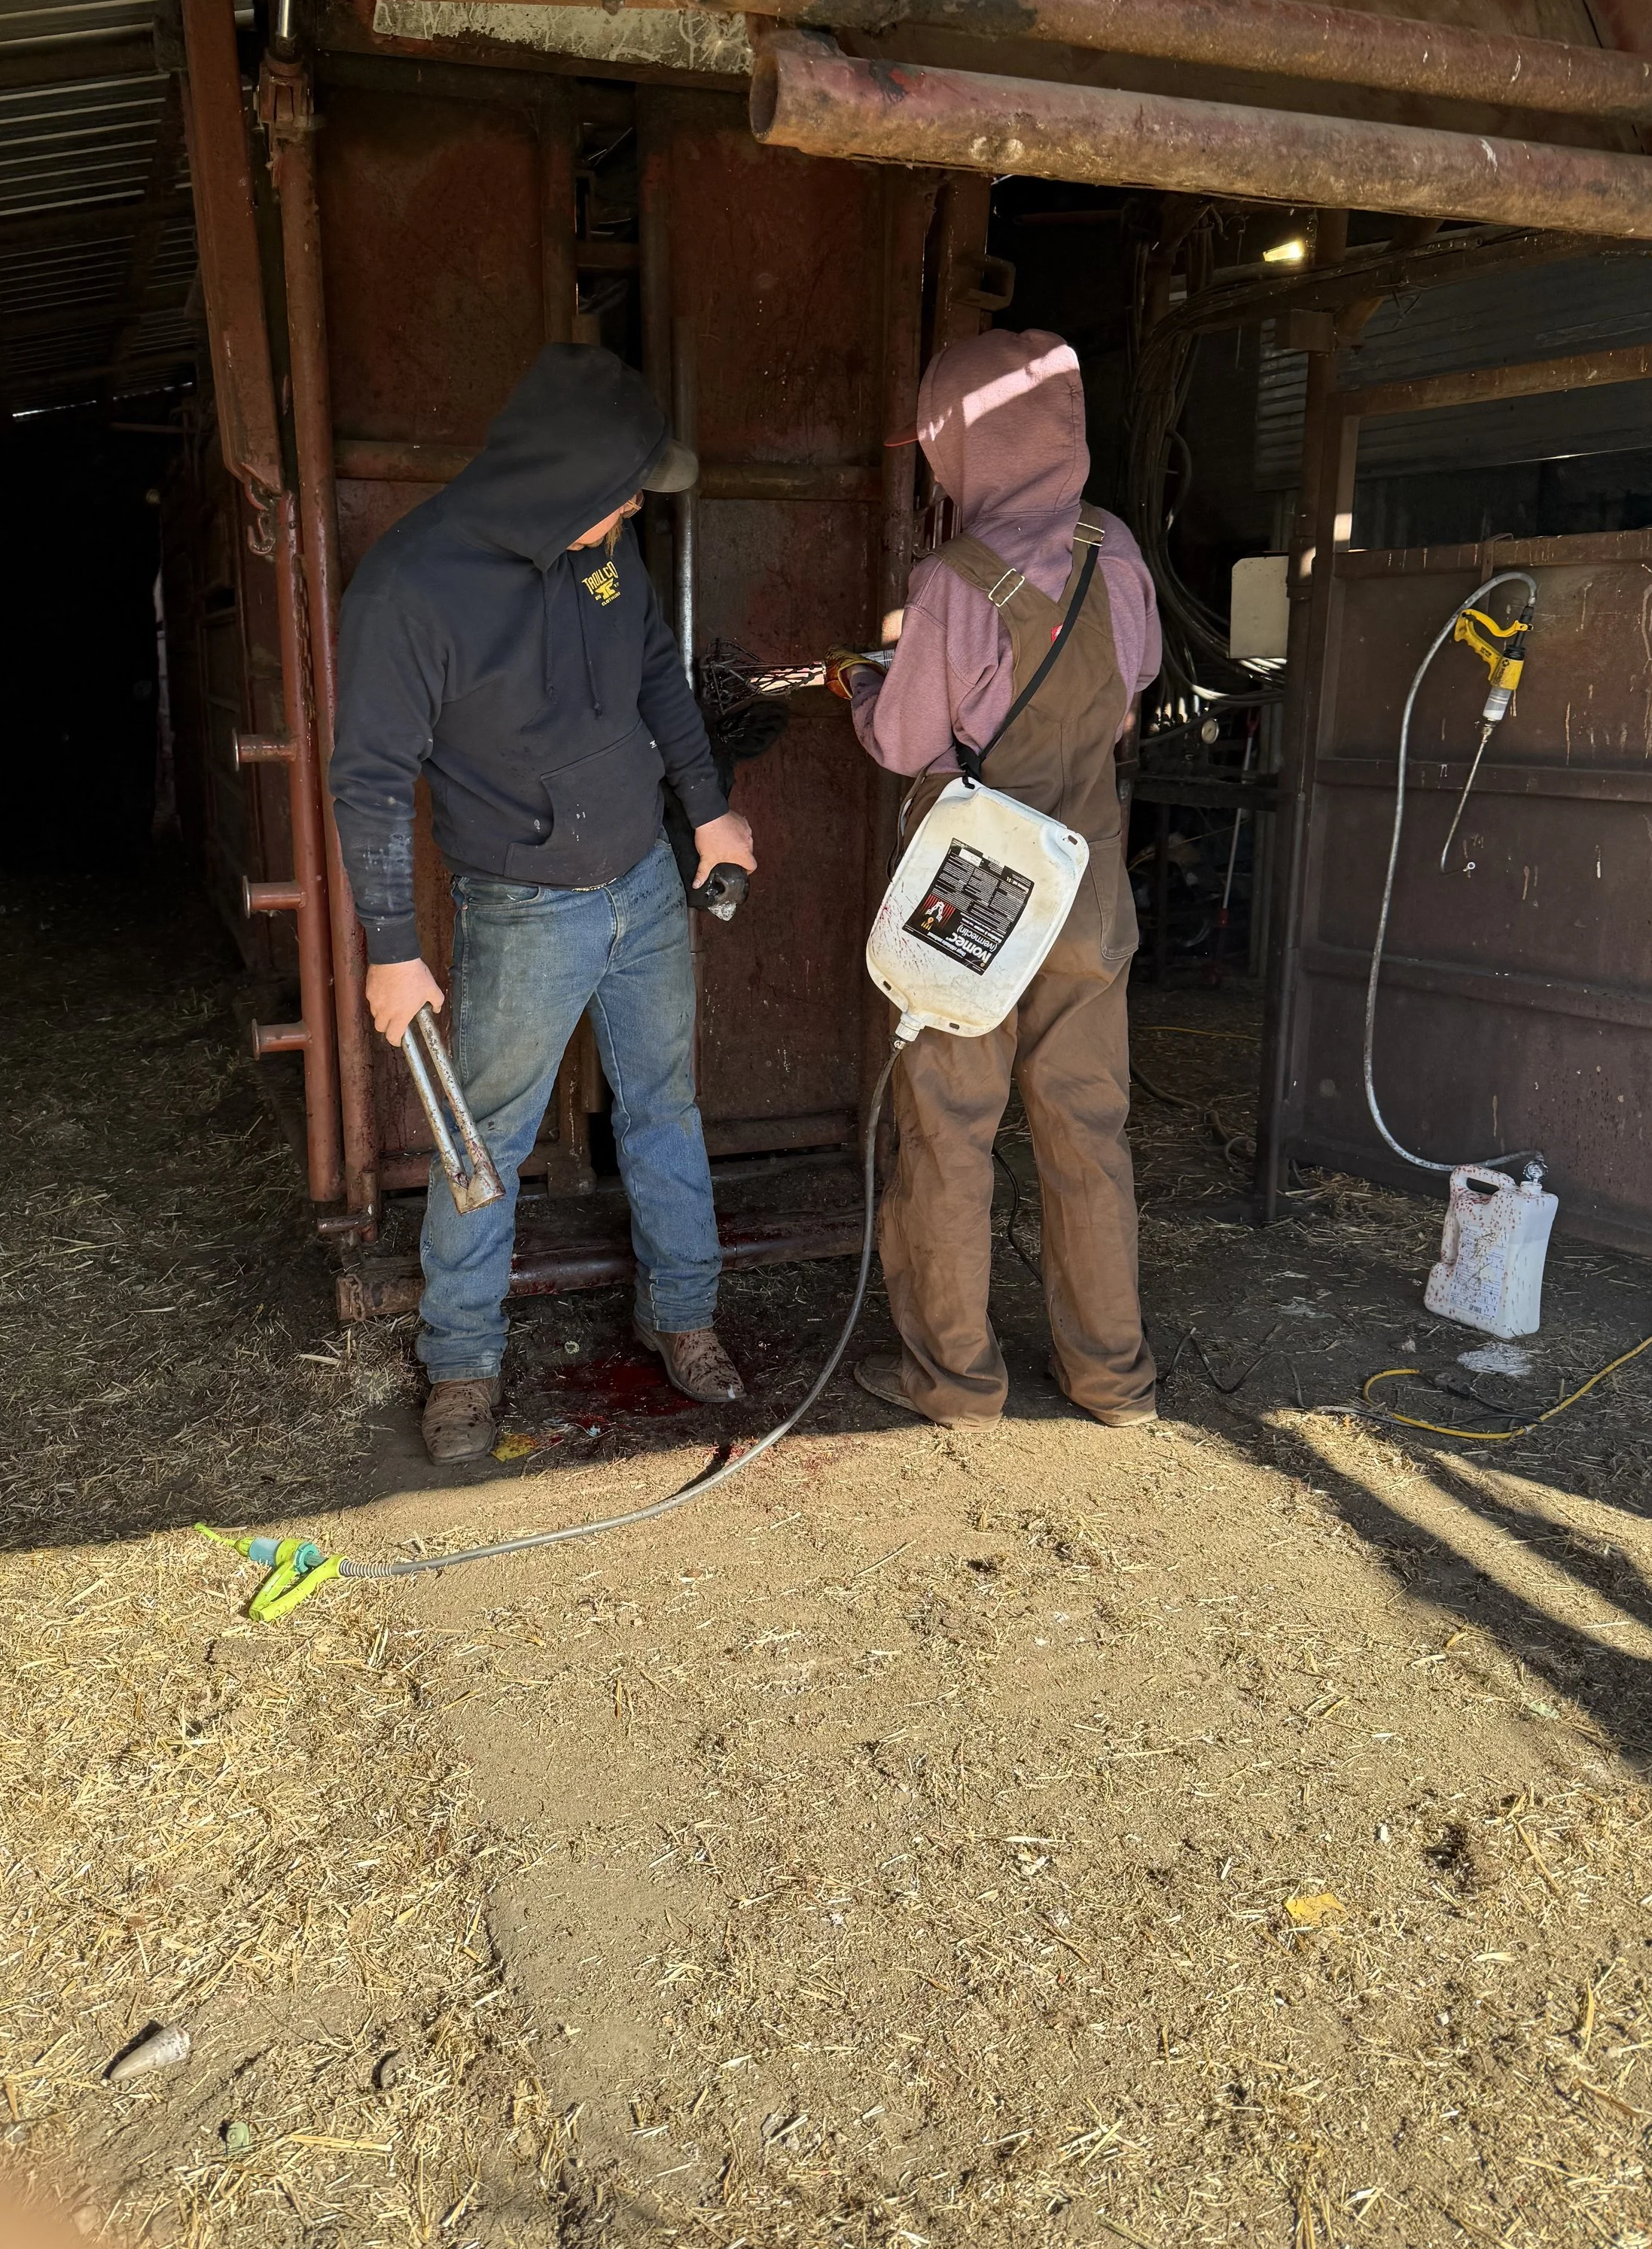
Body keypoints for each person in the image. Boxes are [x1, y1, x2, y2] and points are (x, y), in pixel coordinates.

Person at [331, 344, 757, 1464]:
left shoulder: (604, 551)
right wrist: (391, 947)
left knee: (664, 1107)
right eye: (624, 491)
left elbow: (657, 672)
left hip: (645, 881)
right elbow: (369, 780)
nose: (635, 508)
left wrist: (709, 812)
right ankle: (463, 1362)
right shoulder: (410, 591)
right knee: (484, 1144)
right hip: (523, 907)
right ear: (565, 484)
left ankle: (683, 1313)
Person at [829, 328, 1160, 1430]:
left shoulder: (952, 581)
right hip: (1088, 879)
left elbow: (904, 741)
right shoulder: (1118, 552)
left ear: (959, 443)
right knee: (1089, 1130)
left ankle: (956, 1382)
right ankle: (1113, 1379)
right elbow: (1125, 700)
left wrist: (862, 683)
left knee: (948, 1129)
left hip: (978, 886)